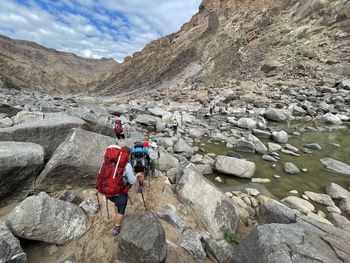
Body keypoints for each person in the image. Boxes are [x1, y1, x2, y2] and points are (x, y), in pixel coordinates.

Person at [107, 147, 143, 236]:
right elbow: (132, 181)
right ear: (128, 155)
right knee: (121, 209)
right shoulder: (127, 165)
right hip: (118, 192)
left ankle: (117, 215)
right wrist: (137, 175)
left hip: (107, 190)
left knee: (117, 204)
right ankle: (117, 227)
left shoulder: (110, 162)